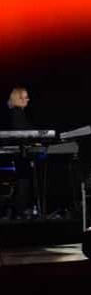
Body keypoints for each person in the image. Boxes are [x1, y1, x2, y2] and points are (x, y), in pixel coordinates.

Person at [4, 86, 34, 219]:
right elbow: (21, 133)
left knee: (24, 181)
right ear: (19, 98)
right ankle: (20, 211)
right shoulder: (16, 113)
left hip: (22, 152)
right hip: (20, 153)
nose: (28, 99)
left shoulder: (17, 112)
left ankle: (19, 211)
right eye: (25, 97)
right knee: (23, 180)